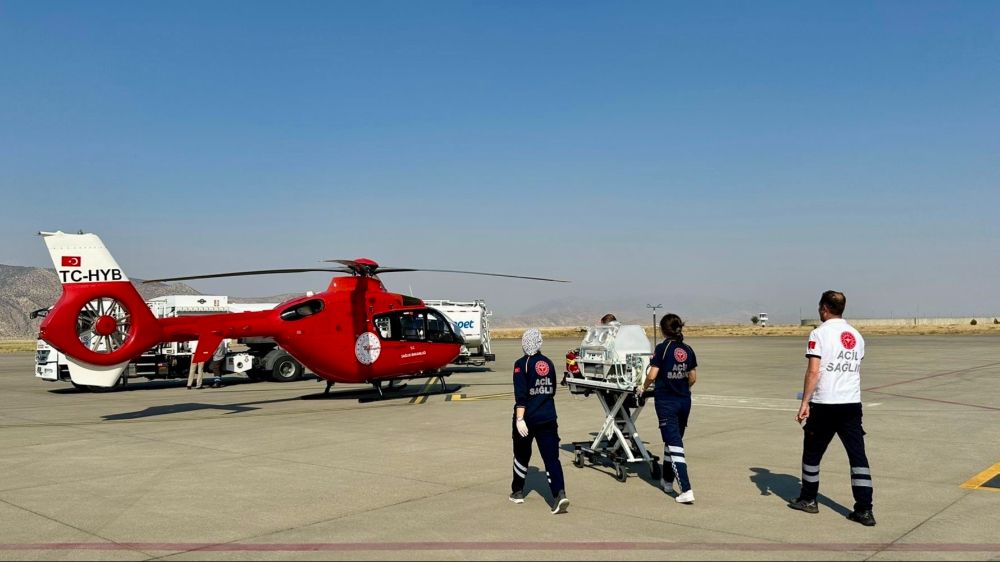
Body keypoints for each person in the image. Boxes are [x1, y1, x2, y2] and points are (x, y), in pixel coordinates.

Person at [790, 291, 875, 526]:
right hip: (851, 404)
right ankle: (865, 510)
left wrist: (805, 401)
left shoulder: (818, 334)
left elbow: (814, 371)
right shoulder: (856, 336)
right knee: (858, 456)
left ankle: (808, 499)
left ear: (824, 308)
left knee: (812, 453)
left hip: (825, 404)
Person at [510, 328, 569, 514]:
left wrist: (520, 419)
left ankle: (517, 491)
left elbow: (521, 396)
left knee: (521, 454)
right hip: (548, 417)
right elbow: (551, 390)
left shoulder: (521, 364)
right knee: (551, 458)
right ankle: (559, 494)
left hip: (527, 419)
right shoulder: (548, 363)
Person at [640, 313, 698, 504]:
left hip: (667, 403)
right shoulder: (687, 349)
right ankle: (667, 480)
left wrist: (643, 387)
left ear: (663, 330)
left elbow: (653, 373)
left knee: (675, 445)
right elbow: (692, 377)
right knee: (672, 441)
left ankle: (686, 489)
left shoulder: (663, 349)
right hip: (684, 401)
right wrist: (682, 387)